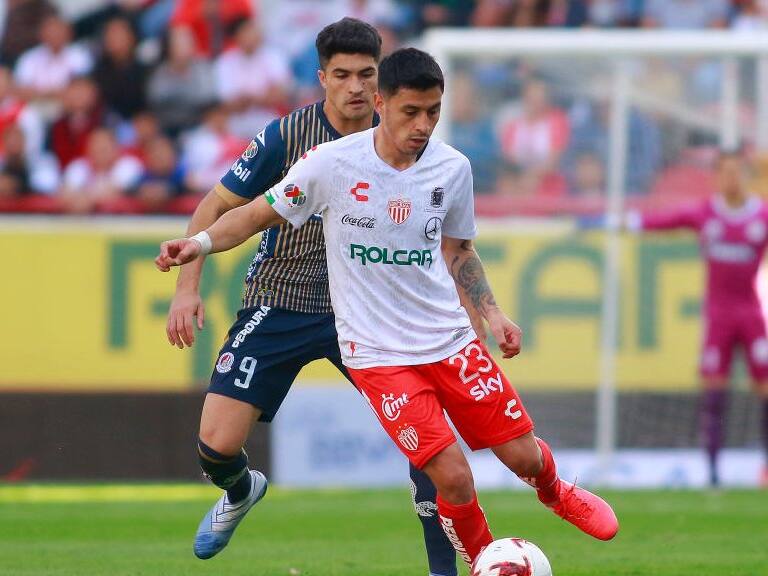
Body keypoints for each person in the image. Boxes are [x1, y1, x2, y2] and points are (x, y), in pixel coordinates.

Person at [156, 47, 619, 568]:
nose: (423, 125)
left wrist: (491, 313)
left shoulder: (453, 168)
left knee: (521, 455)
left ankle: (554, 490)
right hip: (377, 354)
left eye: (433, 112)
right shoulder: (329, 164)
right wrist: (197, 245)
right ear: (381, 103)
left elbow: (459, 249)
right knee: (453, 475)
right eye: (411, 112)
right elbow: (255, 215)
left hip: (447, 339)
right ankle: (482, 560)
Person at [163, 18, 461, 575]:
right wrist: (187, 288)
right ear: (322, 77)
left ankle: (442, 568)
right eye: (341, 75)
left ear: (380, 85)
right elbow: (217, 206)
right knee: (216, 443)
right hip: (281, 298)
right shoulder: (287, 135)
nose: (353, 87)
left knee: (430, 441)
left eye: (365, 75)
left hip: (370, 310)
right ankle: (239, 490)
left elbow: (441, 237)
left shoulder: (406, 138)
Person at [626, 149, 768, 488]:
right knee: (714, 393)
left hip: (751, 313)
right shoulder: (706, 213)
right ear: (717, 177)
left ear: (746, 176)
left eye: (737, 172)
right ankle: (713, 474)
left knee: (764, 390)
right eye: (725, 172)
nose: (731, 178)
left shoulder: (761, 216)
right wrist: (621, 222)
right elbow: (663, 221)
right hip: (719, 315)